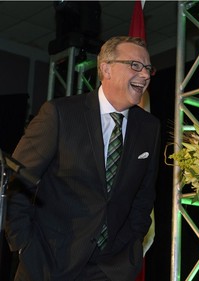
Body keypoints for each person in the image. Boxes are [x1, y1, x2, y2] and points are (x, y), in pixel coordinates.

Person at [5, 36, 161, 281]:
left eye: (148, 68)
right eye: (135, 65)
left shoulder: (149, 127)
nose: (145, 75)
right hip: (49, 263)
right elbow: (17, 181)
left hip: (111, 268)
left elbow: (144, 196)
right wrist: (24, 245)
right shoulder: (60, 114)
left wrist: (130, 247)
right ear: (106, 68)